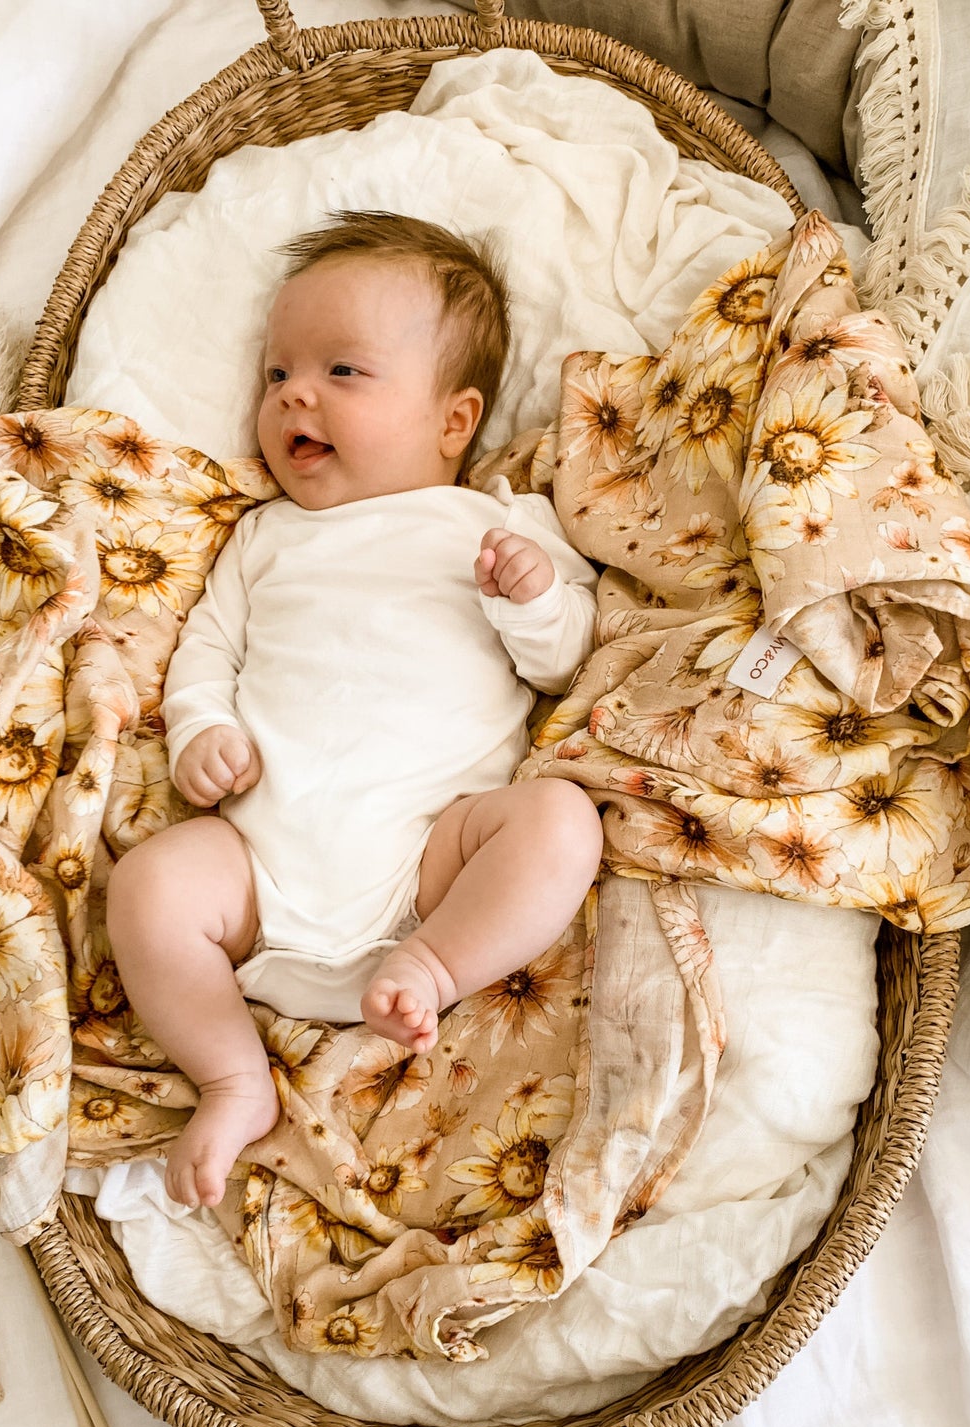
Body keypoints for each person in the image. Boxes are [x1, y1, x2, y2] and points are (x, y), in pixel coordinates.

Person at [107, 212, 603, 1209]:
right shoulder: (262, 538)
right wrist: (204, 729)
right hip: (261, 871)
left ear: (452, 422)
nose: (294, 391)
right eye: (276, 373)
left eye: (342, 371)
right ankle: (233, 1073)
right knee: (147, 887)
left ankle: (432, 967)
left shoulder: (497, 525)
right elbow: (205, 649)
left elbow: (564, 660)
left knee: (557, 822)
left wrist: (534, 594)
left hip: (430, 864)